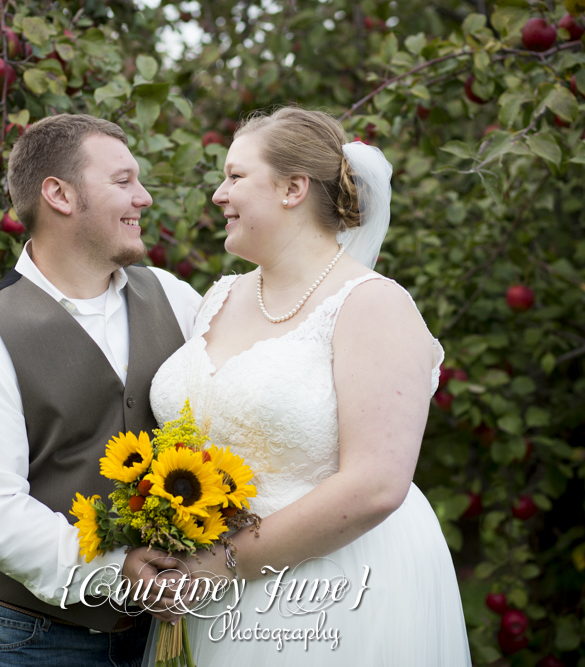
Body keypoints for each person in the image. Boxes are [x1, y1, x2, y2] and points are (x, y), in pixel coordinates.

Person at [146, 107, 473, 665]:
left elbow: (376, 485)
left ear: (294, 188)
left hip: (332, 591)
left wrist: (223, 563)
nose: (219, 194)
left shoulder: (373, 305)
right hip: (207, 598)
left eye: (235, 176)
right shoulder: (218, 298)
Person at [0, 113, 202, 667]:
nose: (144, 198)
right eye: (123, 181)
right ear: (59, 194)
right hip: (32, 641)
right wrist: (113, 567)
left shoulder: (173, 296)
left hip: (164, 635)